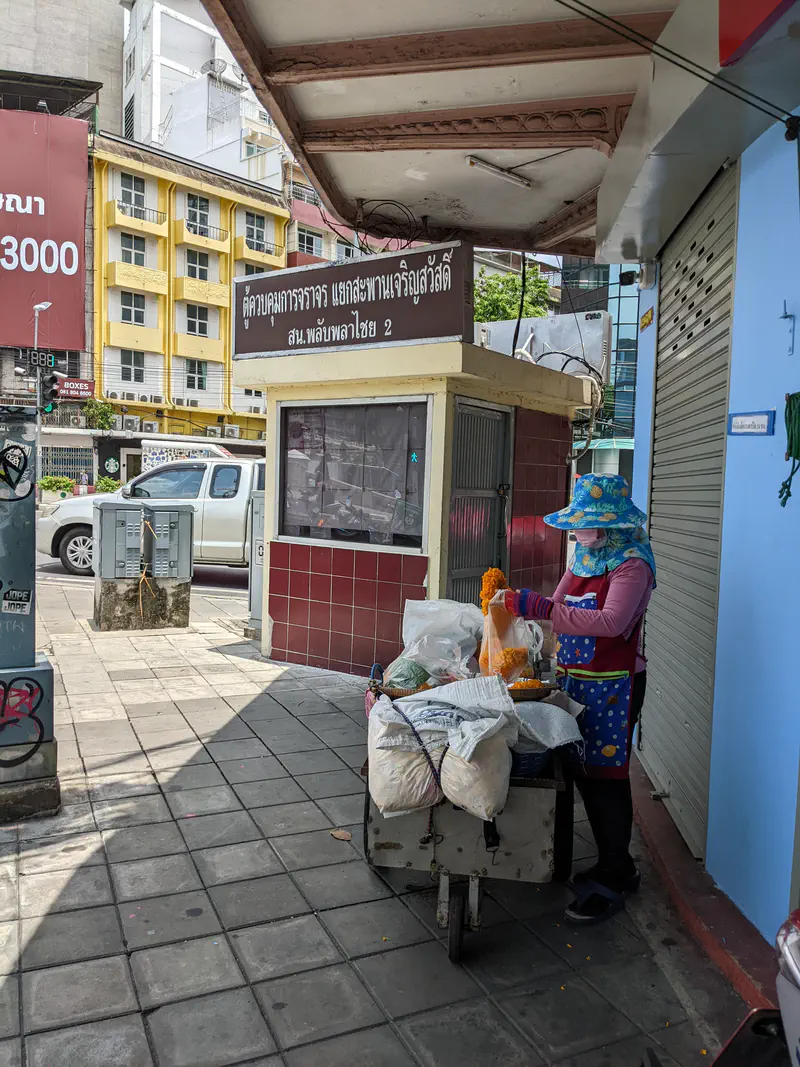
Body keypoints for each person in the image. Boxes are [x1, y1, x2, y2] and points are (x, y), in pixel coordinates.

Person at [497, 472, 656, 925]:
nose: (579, 532)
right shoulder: (587, 555)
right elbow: (560, 601)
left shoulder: (632, 564)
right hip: (576, 680)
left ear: (614, 524)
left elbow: (609, 623)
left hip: (614, 687)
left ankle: (613, 877)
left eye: (588, 524)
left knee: (608, 779)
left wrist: (542, 609)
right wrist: (527, 609)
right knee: (586, 774)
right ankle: (616, 865)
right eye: (578, 524)